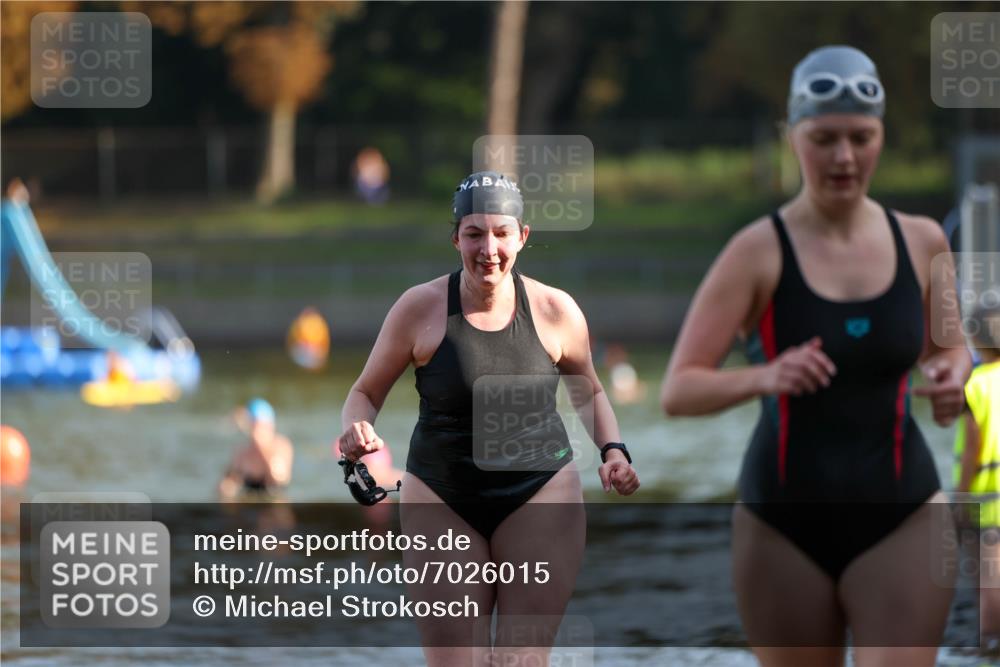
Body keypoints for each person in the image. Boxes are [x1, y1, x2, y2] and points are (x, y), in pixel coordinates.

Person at [660, 46, 971, 665]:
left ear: (882, 136)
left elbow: (952, 347)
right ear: (793, 137)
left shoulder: (923, 240)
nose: (844, 157)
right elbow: (678, 390)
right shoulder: (757, 251)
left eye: (861, 137)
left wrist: (951, 376)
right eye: (824, 138)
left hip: (903, 509)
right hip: (782, 524)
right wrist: (765, 375)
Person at [337, 170, 639, 665]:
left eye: (501, 233)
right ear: (455, 237)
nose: (488, 249)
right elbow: (364, 392)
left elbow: (590, 391)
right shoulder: (419, 308)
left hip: (541, 491)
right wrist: (355, 428)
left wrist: (613, 451)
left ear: (522, 236)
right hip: (441, 493)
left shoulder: (555, 310)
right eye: (474, 234)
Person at [953, 302, 1000, 648]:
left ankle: (990, 641)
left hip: (987, 496)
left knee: (988, 576)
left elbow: (972, 447)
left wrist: (960, 498)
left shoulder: (973, 385)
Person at [219, 398, 294, 500]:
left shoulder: (281, 446)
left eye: (257, 426)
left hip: (274, 496)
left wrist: (260, 447)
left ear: (269, 426)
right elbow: (229, 483)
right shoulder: (242, 452)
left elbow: (277, 481)